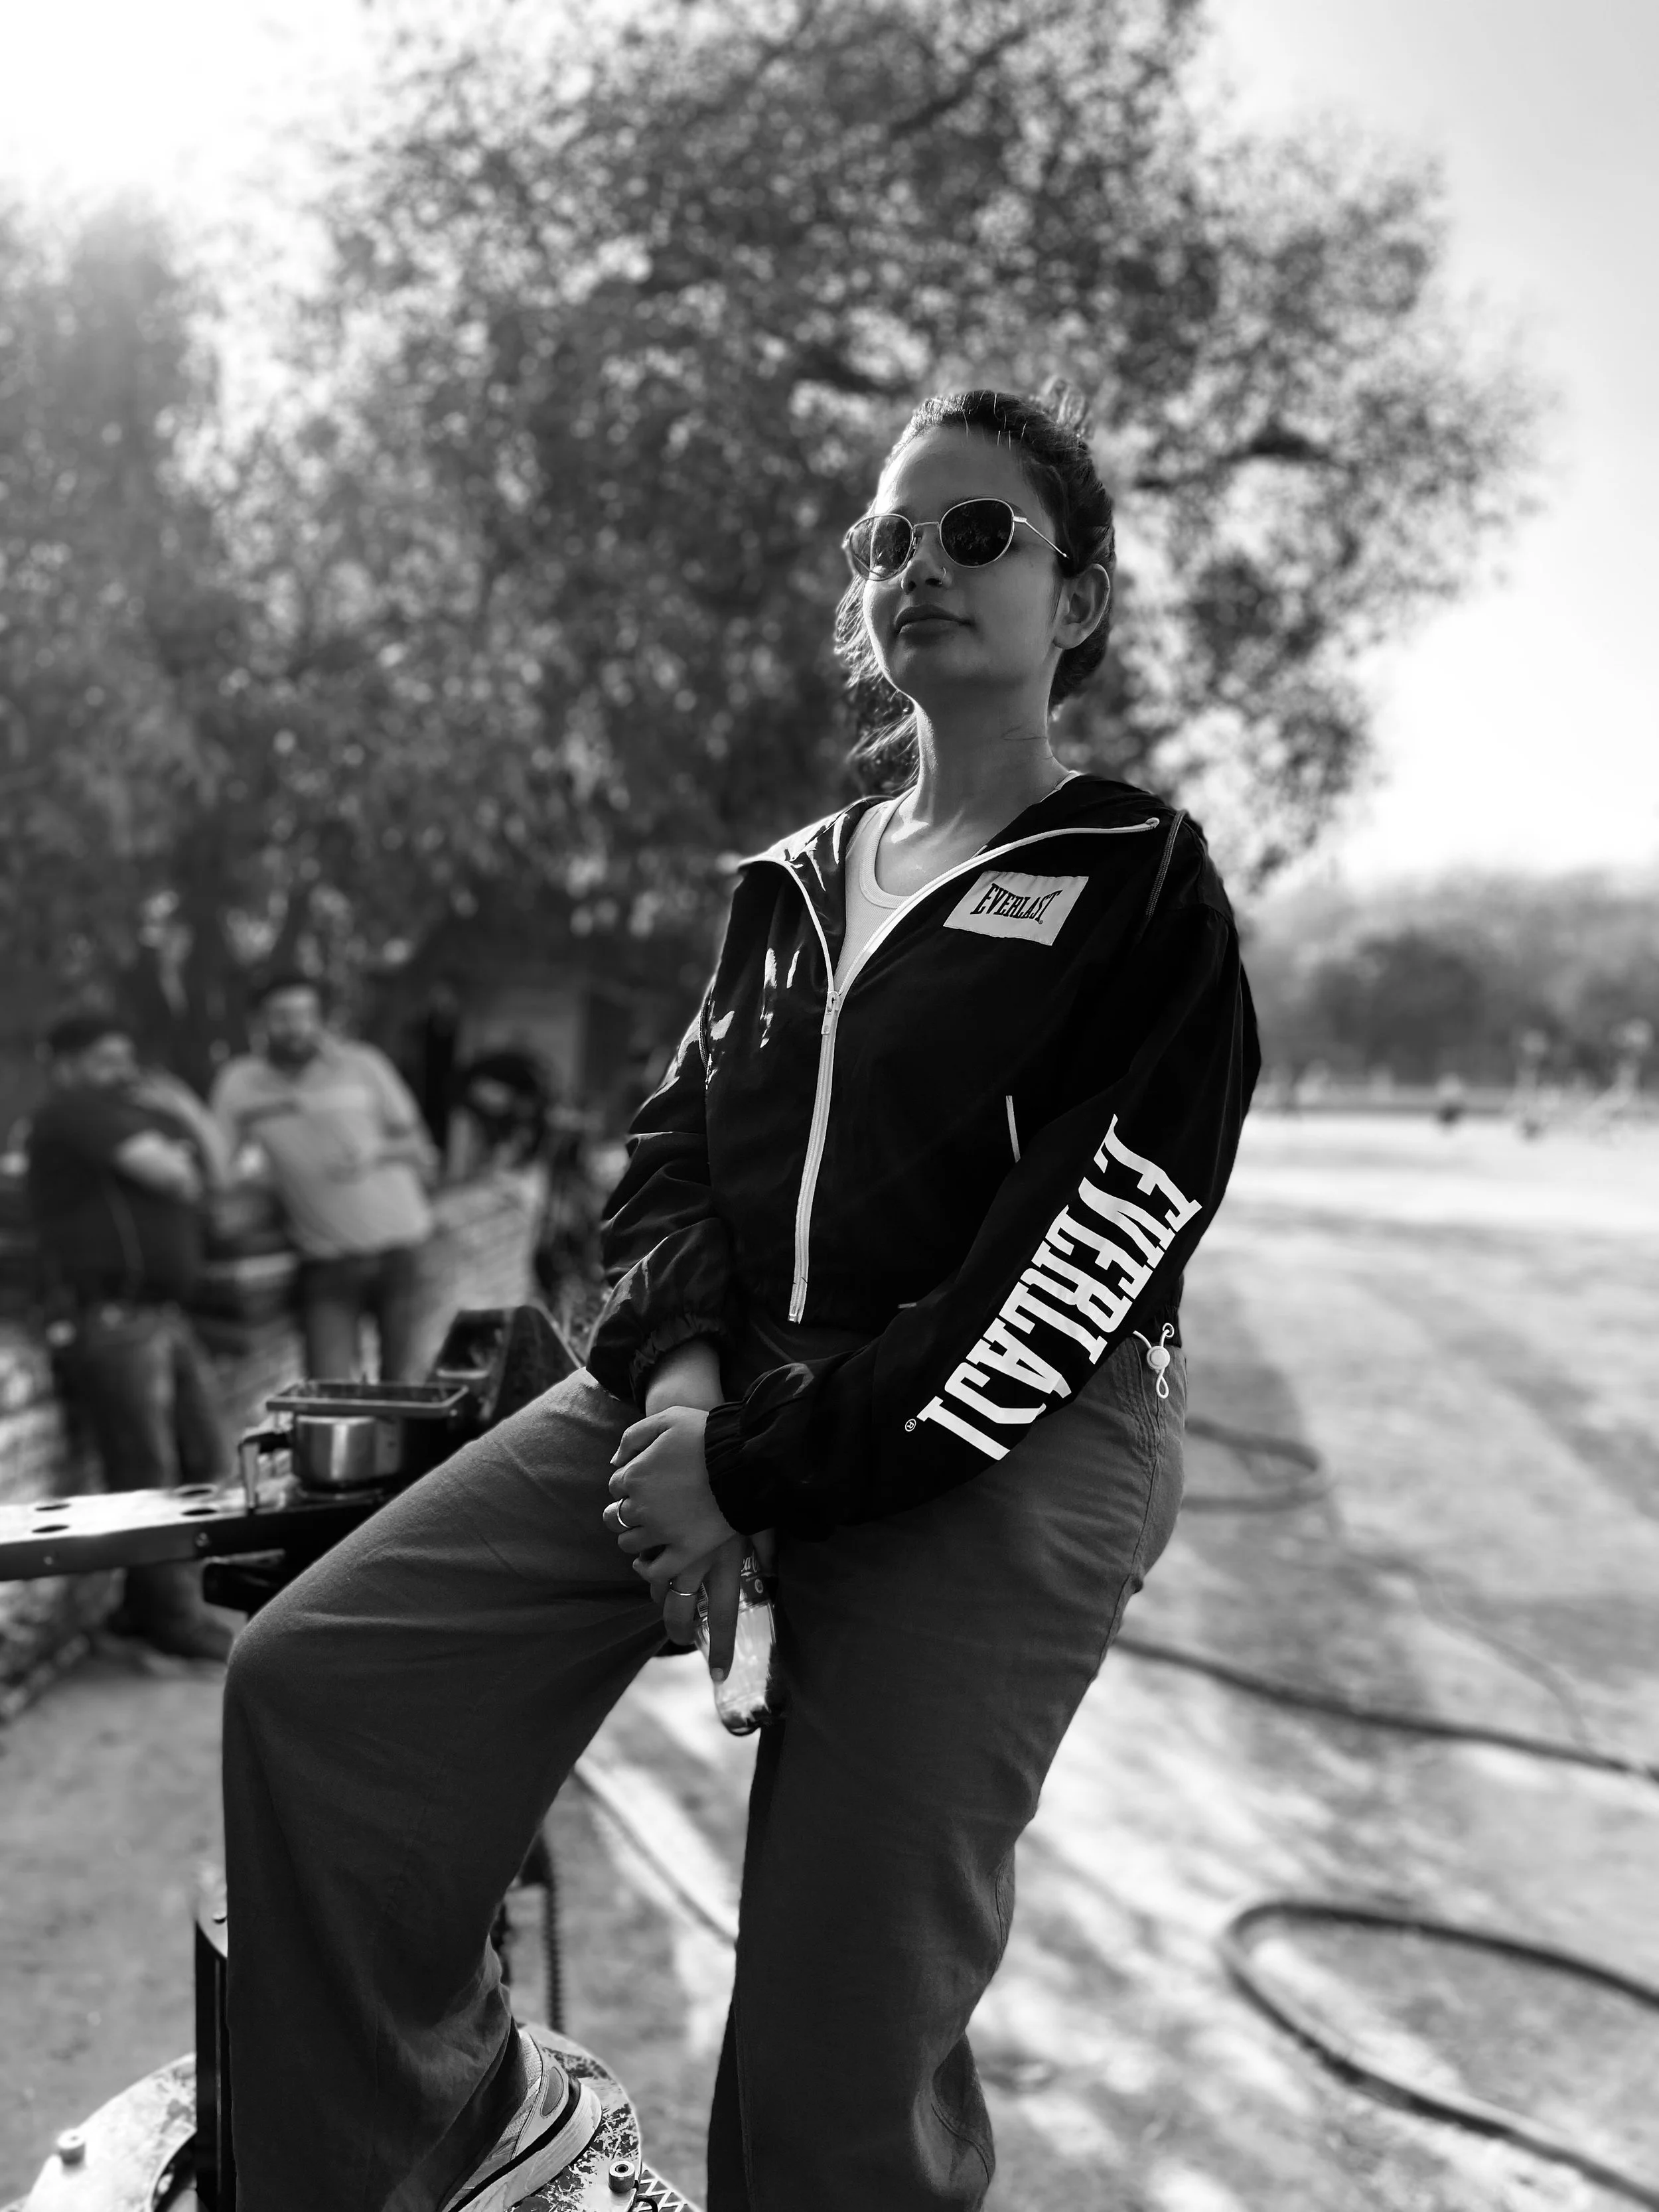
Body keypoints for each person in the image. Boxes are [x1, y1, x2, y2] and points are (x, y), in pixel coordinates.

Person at [222, 386, 1259, 2212]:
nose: (917, 566)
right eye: (887, 539)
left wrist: (757, 1475)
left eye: (974, 532)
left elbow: (1078, 1259)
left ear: (1076, 601)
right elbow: (669, 1160)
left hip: (999, 1435)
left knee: (822, 2061)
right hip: (709, 1397)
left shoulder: (1137, 889)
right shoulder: (790, 884)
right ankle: (459, 2140)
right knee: (322, 1689)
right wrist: (688, 1395)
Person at [27, 1011, 236, 1662]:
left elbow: (218, 1175)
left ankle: (140, 1609)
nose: (120, 1073)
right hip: (115, 1319)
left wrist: (184, 1109)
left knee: (203, 1464)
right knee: (147, 1477)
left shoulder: (140, 1113)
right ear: (65, 1065)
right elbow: (173, 1176)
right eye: (102, 1060)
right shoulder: (71, 1110)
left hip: (164, 1316)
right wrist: (178, 1152)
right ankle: (169, 1621)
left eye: (124, 1058)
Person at [211, 974, 439, 1382]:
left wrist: (375, 1153)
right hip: (324, 1261)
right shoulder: (240, 1084)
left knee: (405, 1389)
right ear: (259, 1022)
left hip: (401, 1251)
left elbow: (421, 1148)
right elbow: (217, 1167)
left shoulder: (364, 1064)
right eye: (282, 1016)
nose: (295, 1026)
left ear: (319, 1018)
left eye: (305, 1014)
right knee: (326, 1394)